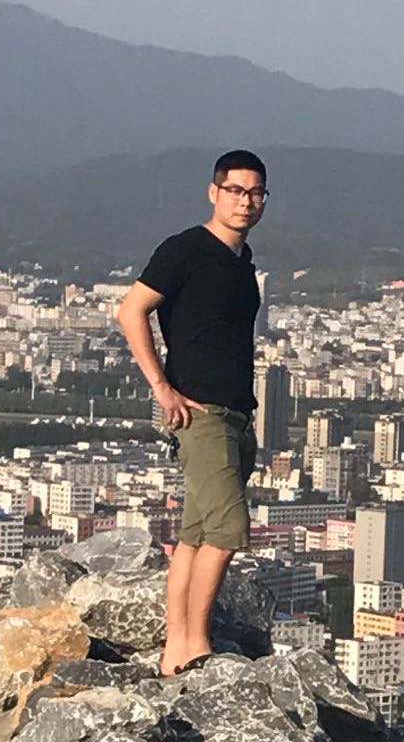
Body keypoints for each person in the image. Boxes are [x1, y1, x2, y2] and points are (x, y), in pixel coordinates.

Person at [117, 149, 268, 676]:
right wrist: (162, 387)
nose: (246, 202)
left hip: (235, 412)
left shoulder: (241, 262)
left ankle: (175, 650)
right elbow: (131, 311)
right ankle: (196, 645)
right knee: (228, 530)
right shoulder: (186, 249)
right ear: (213, 192)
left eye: (255, 193)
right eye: (236, 191)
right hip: (201, 412)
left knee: (197, 534)